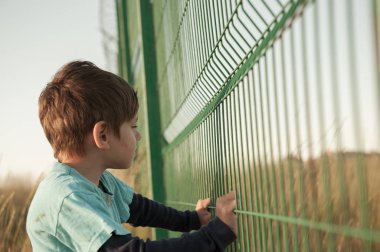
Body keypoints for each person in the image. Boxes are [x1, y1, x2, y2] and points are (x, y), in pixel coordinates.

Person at [26, 61, 237, 251]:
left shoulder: (99, 181)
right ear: (103, 135)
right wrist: (216, 235)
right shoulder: (66, 198)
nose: (138, 135)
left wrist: (191, 220)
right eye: (133, 125)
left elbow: (140, 210)